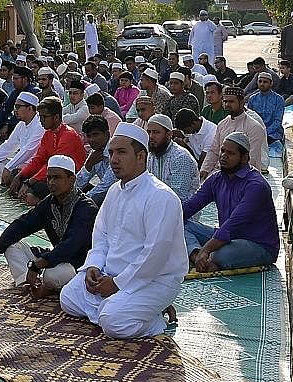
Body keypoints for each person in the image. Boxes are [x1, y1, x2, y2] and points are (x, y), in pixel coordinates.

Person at [59, 122, 189, 339]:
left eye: (121, 152)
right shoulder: (114, 192)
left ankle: (154, 320)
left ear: (141, 157)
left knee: (113, 322)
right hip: (110, 275)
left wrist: (118, 284)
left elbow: (154, 255)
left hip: (154, 280)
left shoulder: (161, 197)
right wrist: (93, 266)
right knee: (68, 298)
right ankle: (118, 308)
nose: (114, 160)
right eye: (111, 153)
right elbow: (101, 237)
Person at [0, 155, 95, 298]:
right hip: (55, 257)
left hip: (79, 264)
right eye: (49, 178)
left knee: (52, 275)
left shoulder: (86, 208)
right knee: (11, 247)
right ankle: (28, 284)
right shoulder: (49, 203)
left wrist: (38, 265)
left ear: (72, 180)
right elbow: (21, 225)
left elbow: (71, 245)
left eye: (57, 178)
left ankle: (46, 285)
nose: (51, 182)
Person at [183, 132, 280, 271]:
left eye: (230, 153)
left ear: (244, 158)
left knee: (220, 255)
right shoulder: (216, 179)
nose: (223, 156)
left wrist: (207, 250)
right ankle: (198, 257)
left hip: (258, 245)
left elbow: (233, 224)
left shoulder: (256, 185)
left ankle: (207, 259)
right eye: (222, 151)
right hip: (227, 238)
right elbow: (190, 206)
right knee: (179, 225)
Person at [14, 97, 87, 201]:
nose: (40, 120)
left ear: (56, 117)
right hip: (51, 174)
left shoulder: (68, 135)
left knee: (38, 187)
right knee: (17, 174)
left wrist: (29, 182)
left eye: (44, 117)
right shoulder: (48, 133)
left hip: (65, 178)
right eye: (40, 117)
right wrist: (20, 175)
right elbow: (38, 159)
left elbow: (54, 166)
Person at [200, 85, 269, 176]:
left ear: (242, 103)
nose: (227, 104)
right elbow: (214, 150)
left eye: (231, 101)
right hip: (222, 173)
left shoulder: (254, 127)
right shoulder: (222, 124)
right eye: (225, 101)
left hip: (246, 177)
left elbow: (251, 159)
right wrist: (205, 169)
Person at [0, 91, 43, 185]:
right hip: (21, 163)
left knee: (11, 171)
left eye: (18, 107)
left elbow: (28, 151)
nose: (15, 111)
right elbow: (9, 145)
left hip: (34, 166)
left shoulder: (40, 125)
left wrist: (9, 167)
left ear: (30, 108)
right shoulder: (21, 125)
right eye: (15, 107)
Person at [144, 115, 199, 201]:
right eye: (149, 132)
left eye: (156, 132)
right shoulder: (151, 156)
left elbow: (179, 196)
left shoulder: (180, 157)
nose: (151, 136)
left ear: (169, 134)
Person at [75, 116, 117, 204]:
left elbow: (106, 186)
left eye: (95, 135)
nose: (91, 140)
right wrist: (88, 165)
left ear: (107, 134)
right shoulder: (94, 153)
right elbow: (77, 184)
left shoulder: (115, 152)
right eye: (89, 136)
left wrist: (81, 203)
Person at [246, 71, 285, 146]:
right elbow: (249, 119)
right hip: (255, 133)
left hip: (272, 134)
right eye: (260, 81)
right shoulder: (252, 99)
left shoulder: (278, 99)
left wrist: (264, 132)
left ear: (271, 84)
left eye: (265, 82)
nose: (262, 84)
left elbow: (277, 121)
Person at [174, 107, 217, 174]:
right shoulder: (192, 126)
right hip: (193, 157)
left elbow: (203, 162)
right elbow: (176, 132)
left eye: (186, 130)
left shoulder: (211, 133)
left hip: (206, 166)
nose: (185, 133)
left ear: (193, 123)